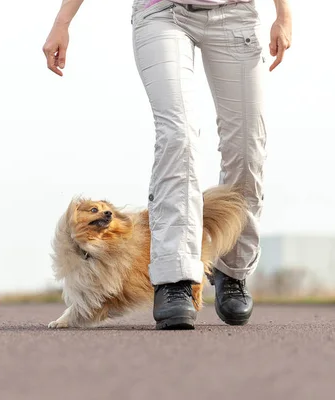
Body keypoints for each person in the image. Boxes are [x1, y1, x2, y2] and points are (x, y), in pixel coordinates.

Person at [43, 0, 292, 329]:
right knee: (179, 136)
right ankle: (176, 279)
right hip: (160, 11)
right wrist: (63, 21)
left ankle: (233, 271)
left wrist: (284, 14)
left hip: (235, 14)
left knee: (248, 148)